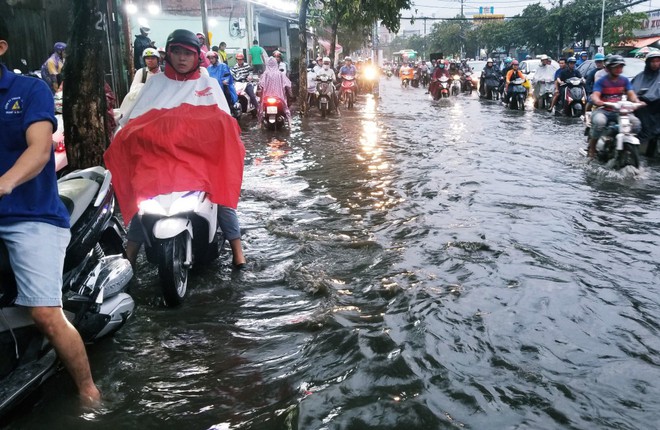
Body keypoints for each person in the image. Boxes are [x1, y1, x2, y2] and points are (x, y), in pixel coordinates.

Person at [0, 17, 101, 406]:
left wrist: (5, 183)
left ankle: (90, 393)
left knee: (44, 312)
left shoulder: (30, 89)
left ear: (2, 46)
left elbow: (39, 149)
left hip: (30, 214)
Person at [105, 29, 246, 269]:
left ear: (196, 57)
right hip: (160, 161)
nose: (182, 58)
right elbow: (133, 124)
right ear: (168, 55)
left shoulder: (208, 83)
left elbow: (226, 125)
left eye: (188, 53)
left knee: (221, 196)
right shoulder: (155, 84)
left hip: (201, 161)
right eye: (177, 52)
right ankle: (129, 255)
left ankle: (238, 251)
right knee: (144, 198)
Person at [587, 55, 643, 158]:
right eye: (616, 67)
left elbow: (631, 94)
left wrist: (637, 101)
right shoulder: (601, 81)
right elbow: (595, 94)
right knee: (600, 122)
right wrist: (598, 101)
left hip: (620, 111)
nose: (619, 69)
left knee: (636, 123)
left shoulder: (624, 80)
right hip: (604, 110)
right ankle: (592, 148)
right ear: (609, 68)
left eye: (620, 66)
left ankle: (625, 146)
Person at [631, 52, 660, 146]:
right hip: (643, 108)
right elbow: (632, 90)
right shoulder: (640, 76)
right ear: (648, 62)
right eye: (653, 61)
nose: (655, 64)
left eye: (657, 61)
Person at [259, 56, 292, 127]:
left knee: (261, 110)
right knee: (286, 109)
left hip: (266, 97)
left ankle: (259, 124)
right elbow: (288, 84)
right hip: (279, 97)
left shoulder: (265, 74)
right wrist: (289, 92)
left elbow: (261, 85)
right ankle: (290, 124)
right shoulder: (280, 74)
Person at [206, 50, 239, 116]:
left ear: (216, 58)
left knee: (227, 95)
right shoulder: (209, 68)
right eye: (210, 59)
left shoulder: (223, 66)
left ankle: (231, 109)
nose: (211, 60)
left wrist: (224, 81)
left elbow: (227, 75)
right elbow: (207, 77)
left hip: (223, 86)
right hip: (213, 87)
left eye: (212, 58)